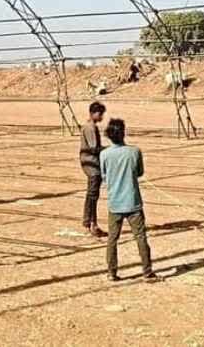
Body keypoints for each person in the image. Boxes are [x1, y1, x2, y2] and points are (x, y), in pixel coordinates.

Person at [100, 118, 155, 281]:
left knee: (112, 239)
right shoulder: (135, 151)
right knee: (141, 237)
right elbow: (139, 172)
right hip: (133, 202)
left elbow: (104, 176)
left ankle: (112, 272)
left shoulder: (104, 154)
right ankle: (147, 271)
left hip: (114, 203)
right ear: (123, 133)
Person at [79, 101, 107, 237]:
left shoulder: (89, 126)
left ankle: (88, 221)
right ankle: (92, 224)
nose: (101, 117)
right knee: (93, 195)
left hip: (91, 162)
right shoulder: (90, 128)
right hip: (91, 164)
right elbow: (94, 148)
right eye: (100, 114)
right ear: (93, 113)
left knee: (91, 194)